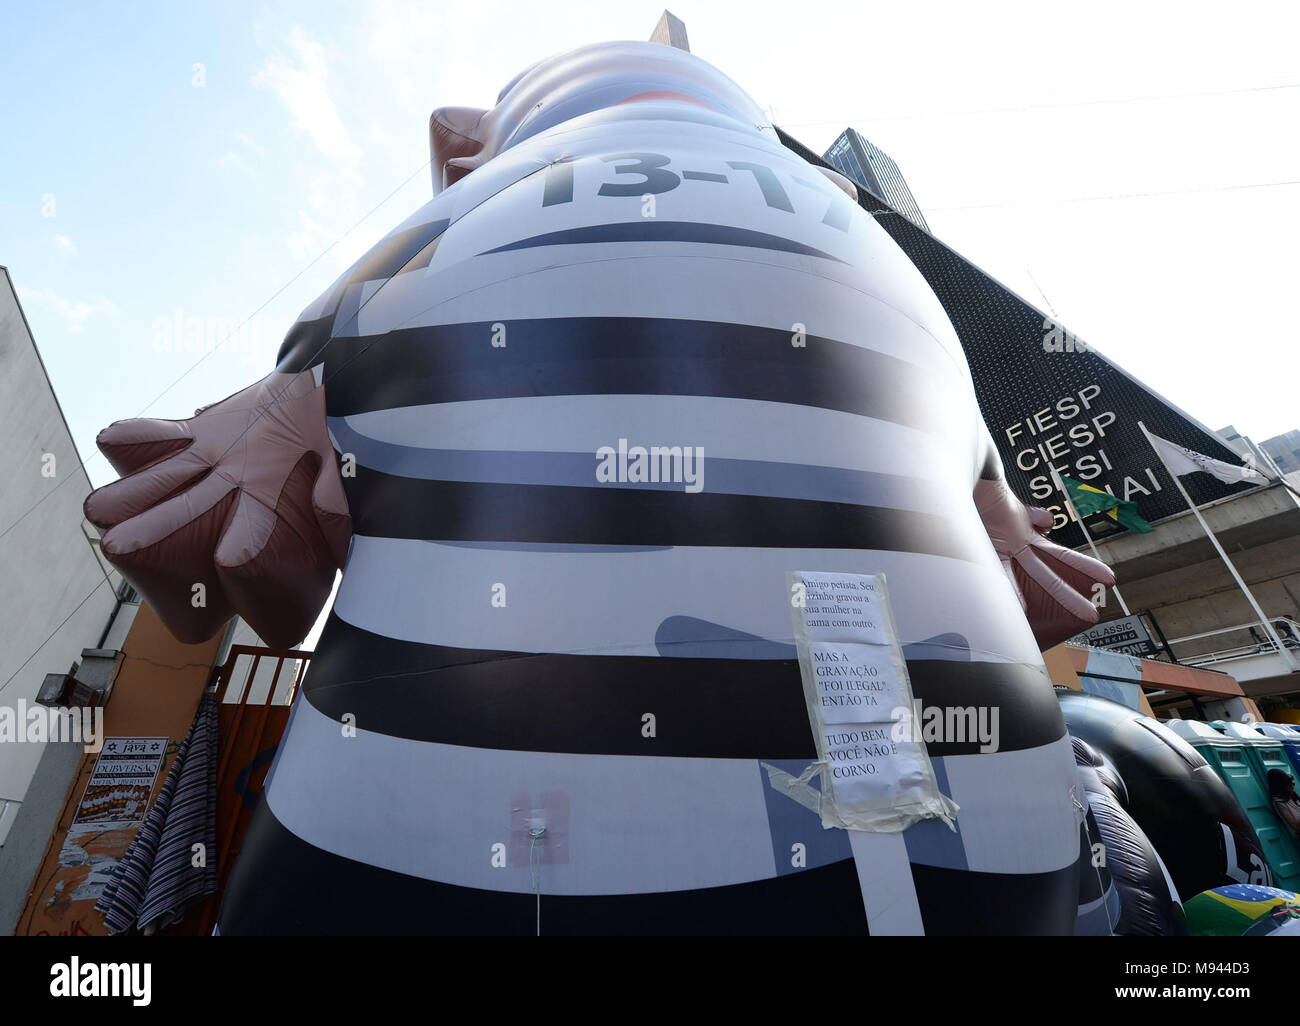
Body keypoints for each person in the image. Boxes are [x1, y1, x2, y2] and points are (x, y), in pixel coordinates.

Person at [1269, 769, 1300, 837]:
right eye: (1289, 784)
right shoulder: (1279, 802)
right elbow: (1295, 825)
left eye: (1293, 783)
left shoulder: (1293, 796)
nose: (1292, 786)